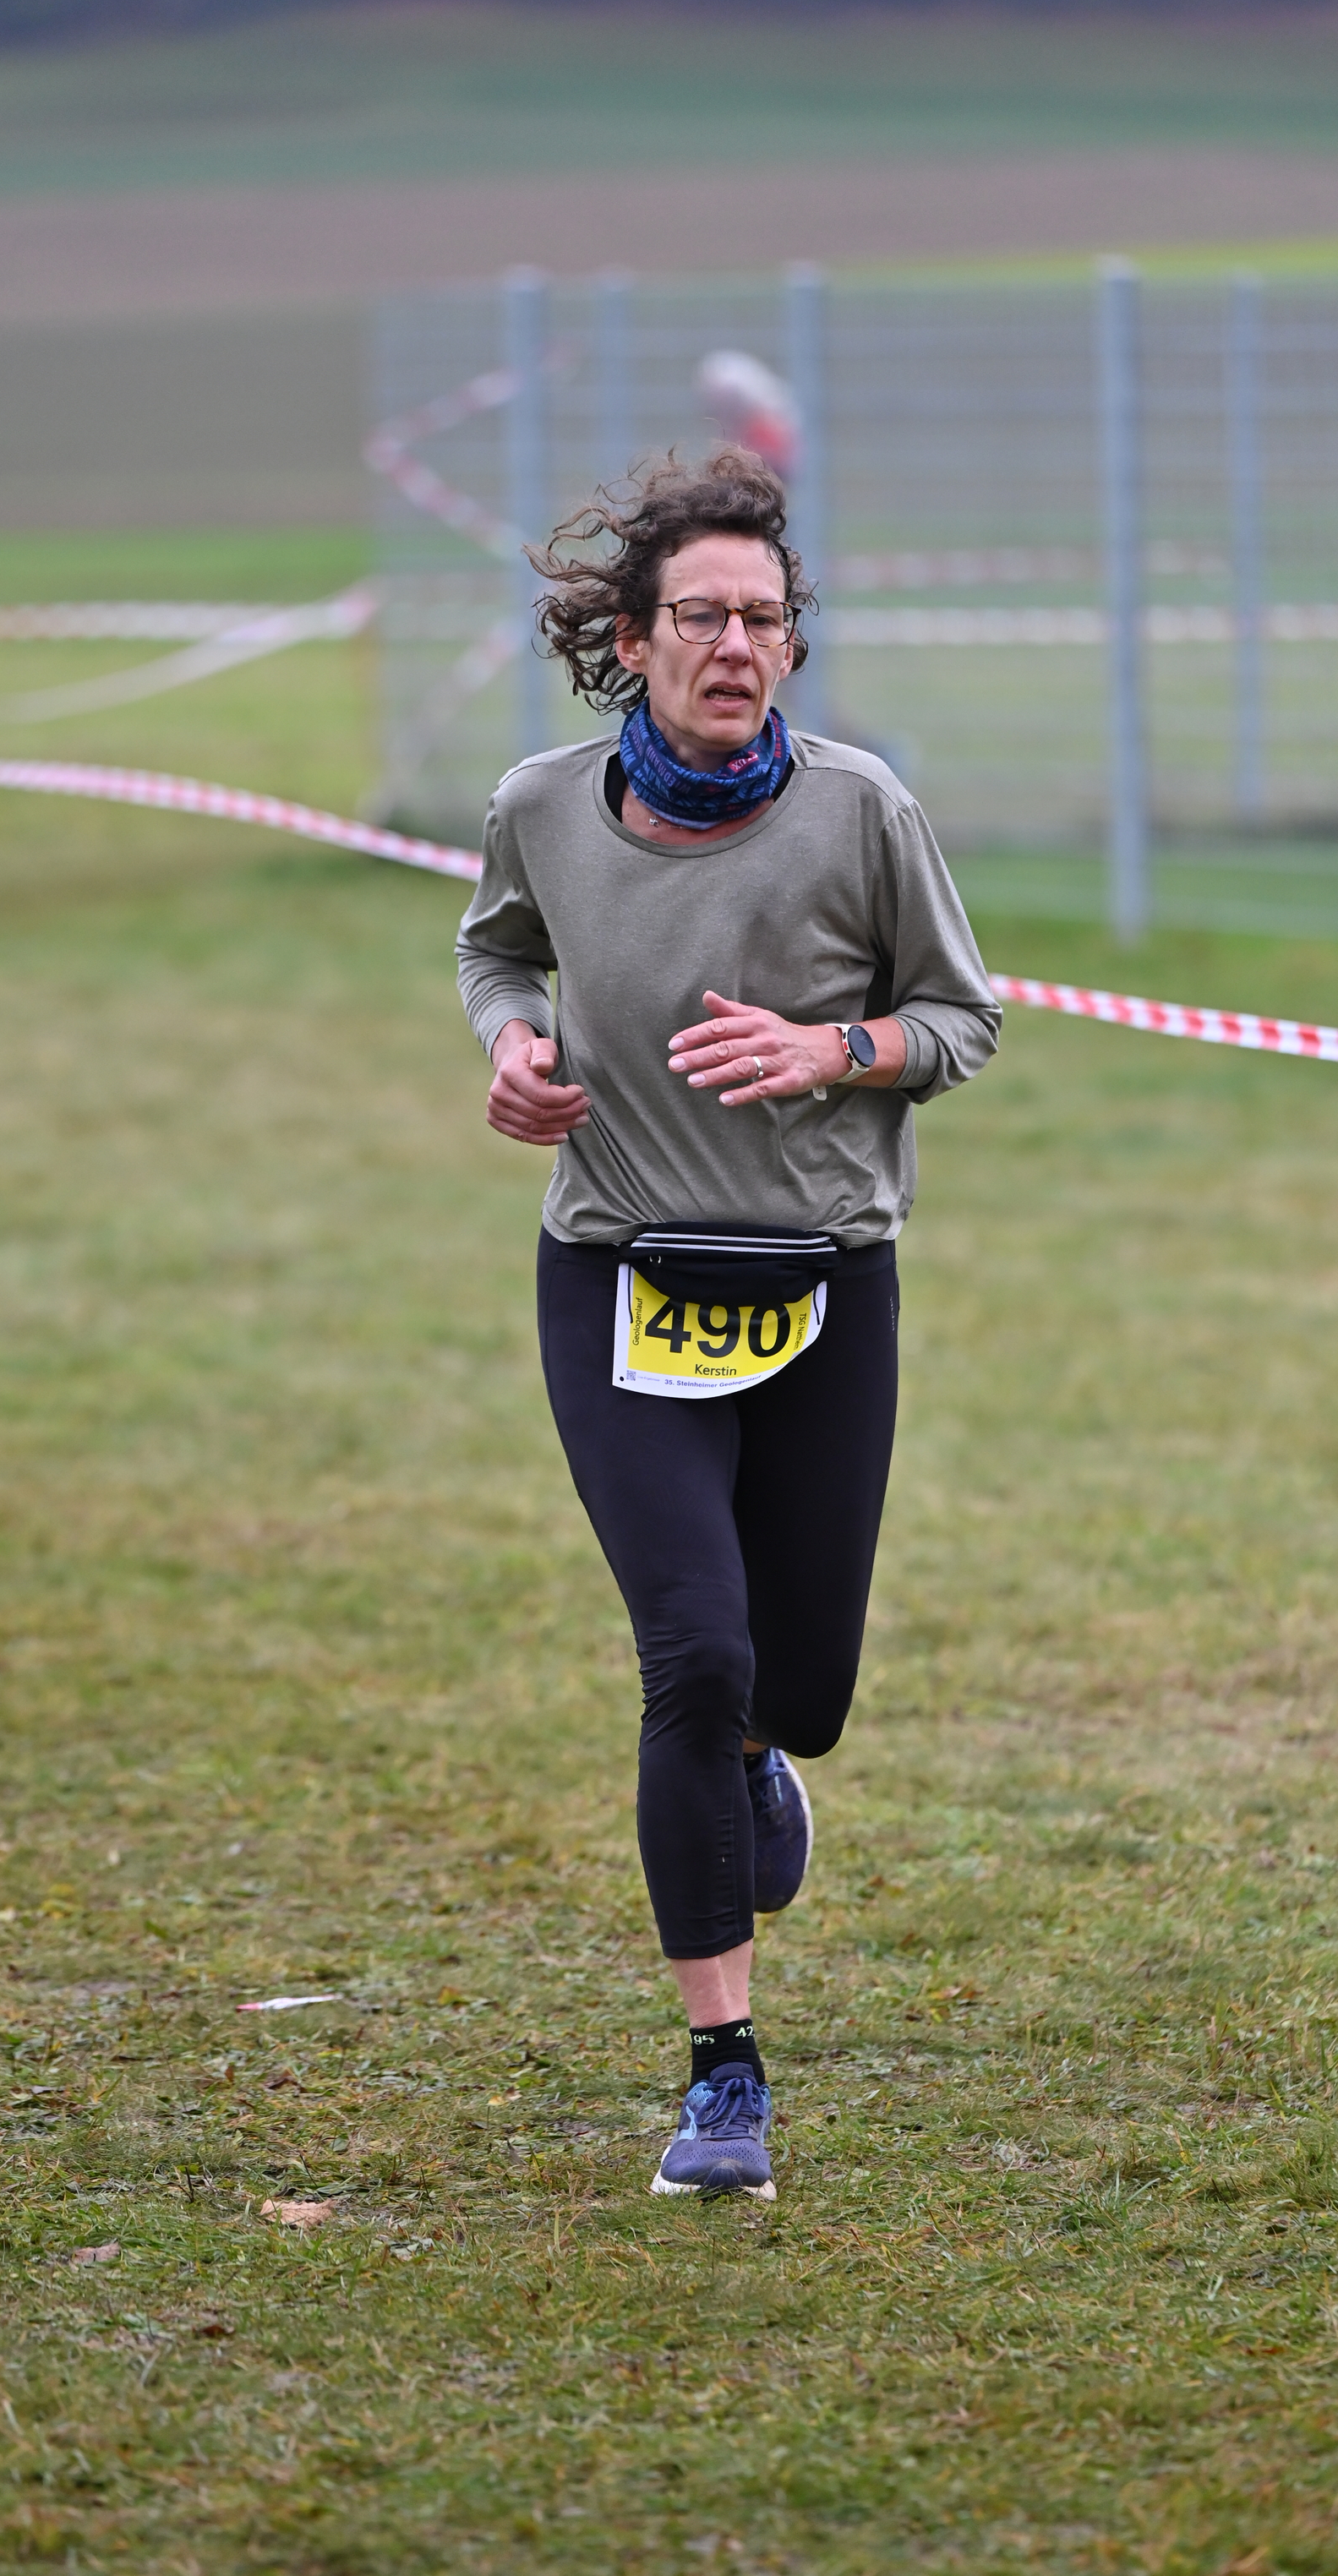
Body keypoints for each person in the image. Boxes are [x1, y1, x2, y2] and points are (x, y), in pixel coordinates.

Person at [456, 447, 1000, 2198]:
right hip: (618, 1270)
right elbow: (495, 948)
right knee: (691, 1654)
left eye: (763, 619)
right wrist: (511, 1047)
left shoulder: (861, 813)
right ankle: (722, 2073)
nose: (736, 646)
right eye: (699, 616)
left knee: (796, 1684)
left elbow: (961, 1021)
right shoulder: (541, 806)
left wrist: (829, 1049)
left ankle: (767, 1757)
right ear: (629, 638)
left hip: (822, 1278)